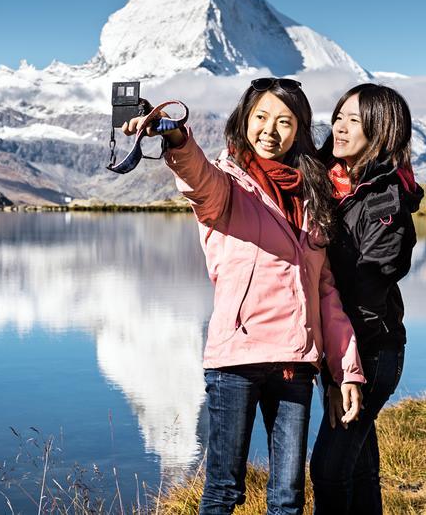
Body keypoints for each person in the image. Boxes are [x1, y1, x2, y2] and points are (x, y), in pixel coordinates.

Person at [122, 77, 365, 515]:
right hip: (236, 359)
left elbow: (325, 293)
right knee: (223, 493)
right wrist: (175, 136)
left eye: (285, 121)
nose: (270, 130)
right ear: (244, 121)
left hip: (295, 363)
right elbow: (196, 176)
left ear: (300, 130)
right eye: (261, 118)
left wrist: (346, 371)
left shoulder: (312, 197)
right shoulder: (226, 186)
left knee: (288, 498)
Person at [309, 83, 423, 515]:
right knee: (358, 469)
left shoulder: (383, 201)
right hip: (341, 351)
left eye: (354, 120)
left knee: (328, 469)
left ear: (381, 132)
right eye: (338, 116)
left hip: (369, 352)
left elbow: (364, 288)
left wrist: (345, 373)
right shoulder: (330, 182)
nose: (339, 127)